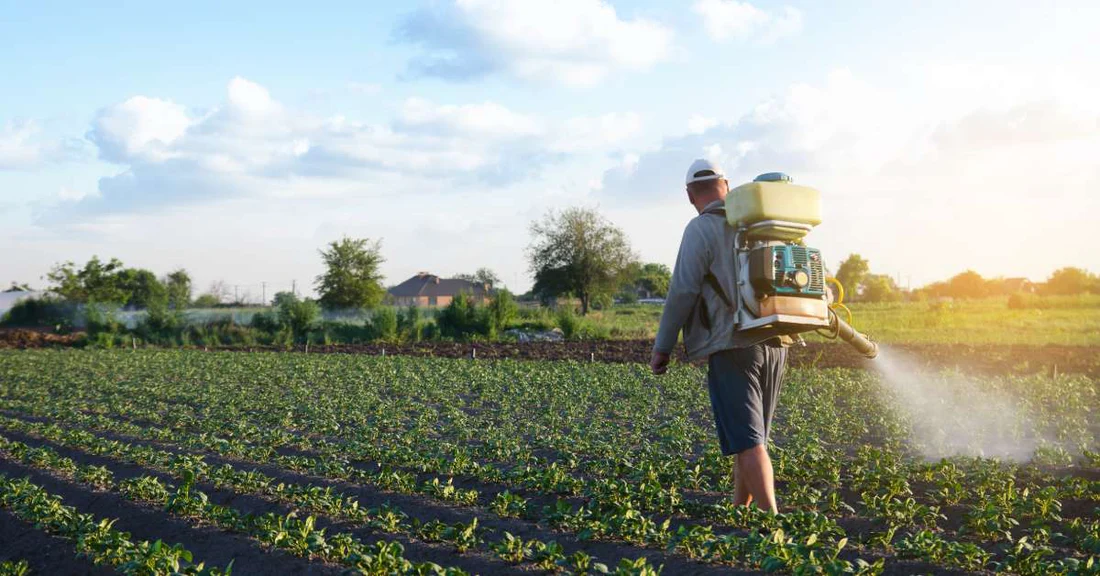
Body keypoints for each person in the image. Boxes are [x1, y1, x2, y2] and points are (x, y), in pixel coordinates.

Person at [649, 158, 791, 514]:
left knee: (748, 440)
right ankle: (739, 512)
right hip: (776, 343)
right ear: (726, 186)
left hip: (734, 346)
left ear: (689, 195)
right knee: (749, 439)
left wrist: (662, 347)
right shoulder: (763, 224)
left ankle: (771, 522)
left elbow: (682, 291)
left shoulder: (701, 229)